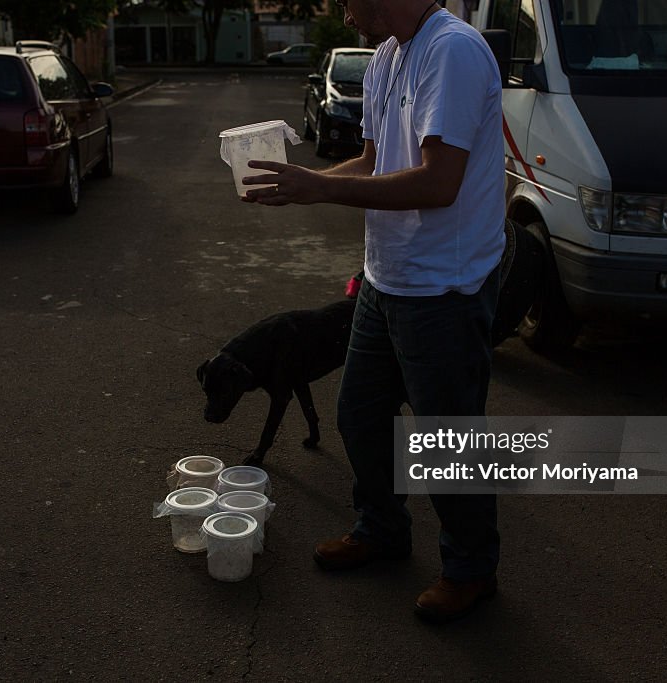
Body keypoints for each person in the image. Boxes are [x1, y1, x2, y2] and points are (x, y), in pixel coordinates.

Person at [242, 0, 505, 623]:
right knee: (359, 416)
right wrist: (305, 182)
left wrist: (323, 188)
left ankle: (470, 570)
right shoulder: (387, 55)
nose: (339, 9)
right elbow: (373, 163)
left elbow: (438, 184)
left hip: (445, 287)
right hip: (388, 279)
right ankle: (382, 529)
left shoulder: (454, 51)